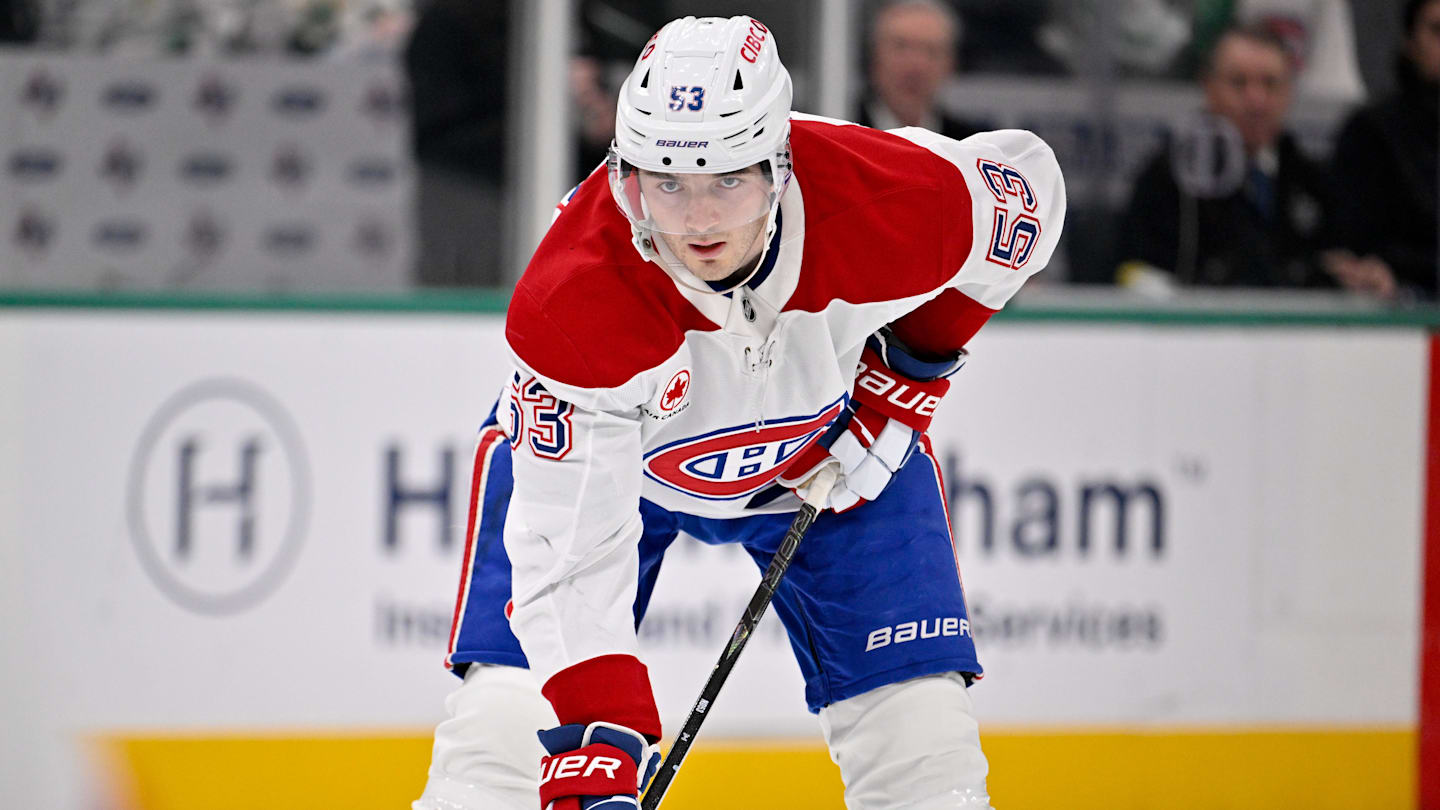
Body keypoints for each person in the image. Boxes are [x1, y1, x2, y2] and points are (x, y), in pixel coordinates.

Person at [413, 14, 1065, 810]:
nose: (697, 221)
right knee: (500, 742)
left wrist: (911, 371)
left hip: (828, 457)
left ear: (779, 164)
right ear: (626, 174)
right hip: (620, 469)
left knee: (923, 748)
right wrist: (598, 738)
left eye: (729, 178)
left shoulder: (877, 193)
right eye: (668, 182)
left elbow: (1024, 200)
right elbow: (569, 557)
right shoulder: (573, 301)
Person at [1115, 24, 1338, 291]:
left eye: (1270, 83)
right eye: (1239, 83)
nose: (1256, 100)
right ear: (1209, 88)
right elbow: (1136, 272)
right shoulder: (1171, 178)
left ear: (1289, 91)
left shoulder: (1311, 179)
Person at [1326, 0, 1439, 301]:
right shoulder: (1372, 133)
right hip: (1401, 310)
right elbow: (1360, 245)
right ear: (1410, 42)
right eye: (1438, 31)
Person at [855, 0, 987, 140]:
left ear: (951, 64)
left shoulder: (966, 145)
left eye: (931, 51)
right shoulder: (841, 132)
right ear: (874, 55)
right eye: (901, 47)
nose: (916, 66)